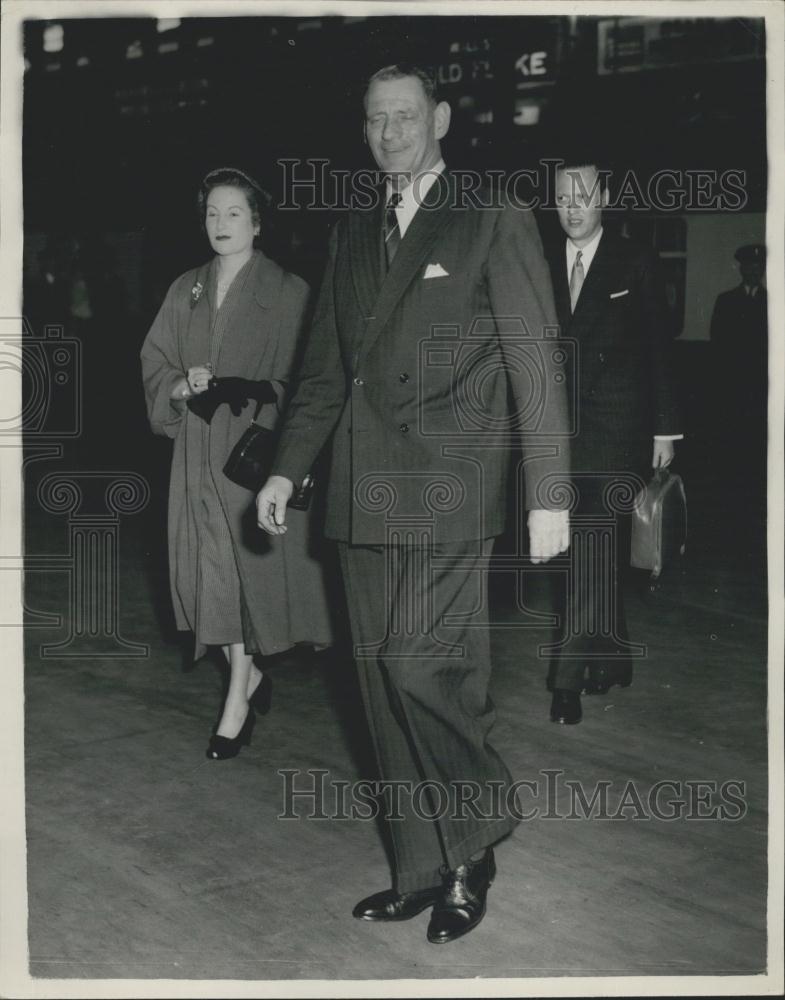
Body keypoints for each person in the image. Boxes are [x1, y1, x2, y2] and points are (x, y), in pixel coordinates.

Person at [257, 64, 570, 944]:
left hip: (448, 486)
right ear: (364, 131)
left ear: (439, 119)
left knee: (418, 668)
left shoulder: (491, 212)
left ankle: (477, 835)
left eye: (406, 116)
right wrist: (285, 470)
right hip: (359, 488)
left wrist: (548, 494)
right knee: (374, 687)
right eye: (375, 120)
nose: (391, 132)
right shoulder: (352, 227)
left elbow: (534, 359)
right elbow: (323, 371)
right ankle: (421, 866)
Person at [140, 167, 334, 760]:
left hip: (251, 454)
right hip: (196, 452)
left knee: (240, 573)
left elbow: (310, 379)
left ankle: (236, 704)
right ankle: (246, 675)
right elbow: (156, 358)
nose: (220, 224)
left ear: (256, 221)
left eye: (233, 213)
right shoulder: (185, 289)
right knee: (204, 573)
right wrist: (179, 385)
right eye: (211, 214)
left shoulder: (289, 290)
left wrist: (252, 388)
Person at [546, 158, 682, 726]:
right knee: (582, 557)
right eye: (561, 197)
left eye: (582, 195)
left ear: (603, 197)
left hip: (614, 434)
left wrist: (664, 429)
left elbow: (659, 349)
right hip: (552, 433)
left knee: (588, 554)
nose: (572, 207)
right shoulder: (539, 261)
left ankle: (567, 680)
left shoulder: (635, 259)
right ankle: (616, 656)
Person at [709, 244, 768, 490]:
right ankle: (731, 481)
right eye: (749, 265)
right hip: (732, 382)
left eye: (758, 265)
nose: (754, 270)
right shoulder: (726, 301)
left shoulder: (774, 301)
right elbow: (717, 342)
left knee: (758, 433)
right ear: (741, 268)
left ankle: (755, 480)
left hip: (762, 382)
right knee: (732, 431)